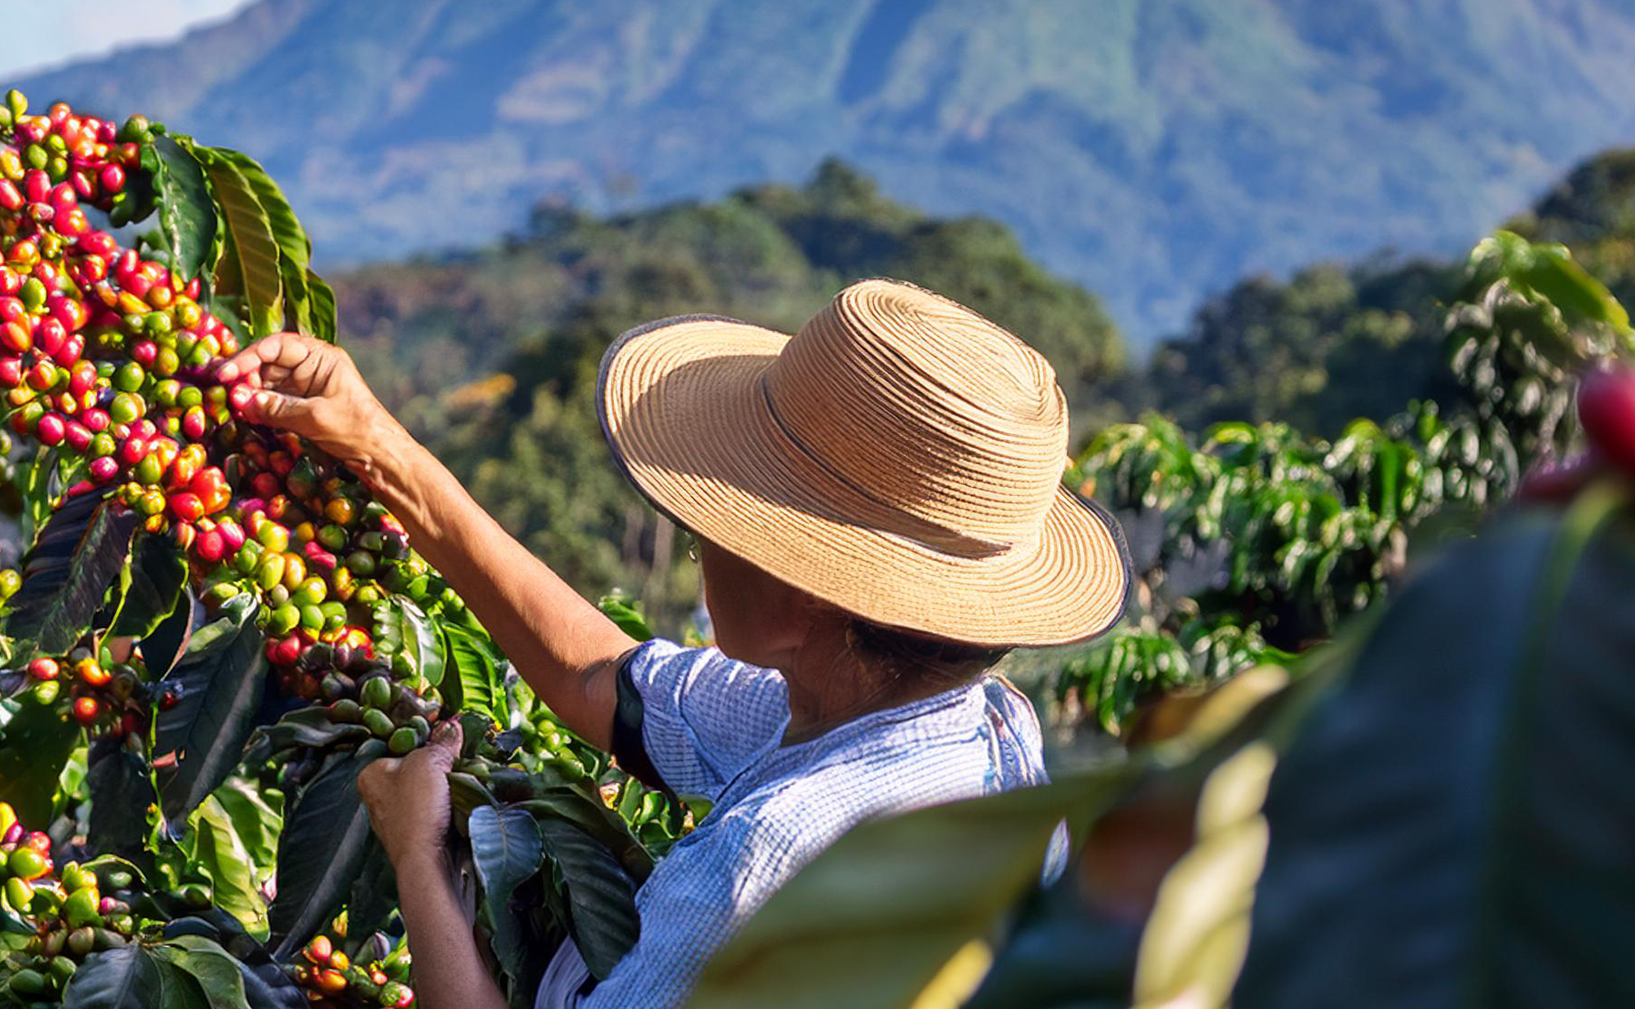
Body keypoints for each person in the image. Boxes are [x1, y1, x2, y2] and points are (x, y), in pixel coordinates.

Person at [218, 278, 1131, 1008]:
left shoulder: (768, 859)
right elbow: (606, 684)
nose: (699, 538)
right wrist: (384, 453)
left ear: (803, 593)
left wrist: (418, 854)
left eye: (723, 521)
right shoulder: (950, 724)